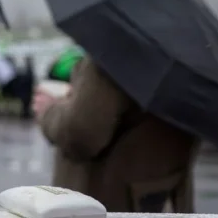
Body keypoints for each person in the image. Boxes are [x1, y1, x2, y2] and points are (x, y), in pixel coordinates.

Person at [32, 56, 199, 213]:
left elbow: (80, 133)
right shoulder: (193, 60)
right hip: (166, 197)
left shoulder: (116, 52)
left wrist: (49, 110)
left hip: (106, 199)